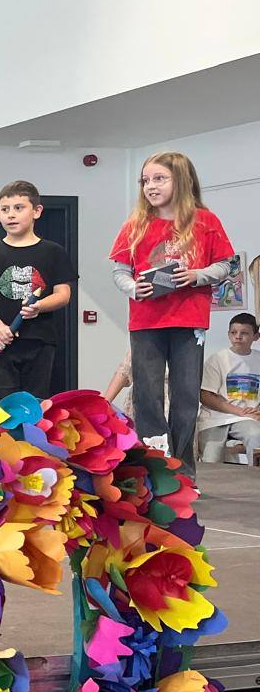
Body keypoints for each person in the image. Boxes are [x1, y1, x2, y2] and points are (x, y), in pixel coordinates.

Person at [108, 151, 235, 471]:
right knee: (147, 396)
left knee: (186, 398)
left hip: (189, 321)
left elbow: (224, 265)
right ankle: (154, 468)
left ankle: (183, 470)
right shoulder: (135, 224)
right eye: (145, 180)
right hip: (146, 322)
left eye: (159, 179)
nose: (150, 186)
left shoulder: (206, 221)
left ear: (182, 180)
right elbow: (119, 271)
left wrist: (196, 275)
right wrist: (134, 288)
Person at [0, 181, 75, 403]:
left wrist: (39, 306)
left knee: (34, 405)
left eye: (19, 208)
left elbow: (63, 294)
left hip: (39, 341)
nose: (11, 215)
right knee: (2, 408)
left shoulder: (54, 252)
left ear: (37, 211)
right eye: (5, 209)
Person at [198, 312, 260, 464]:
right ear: (228, 334)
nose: (238, 337)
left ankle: (253, 477)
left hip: (247, 418)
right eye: (233, 332)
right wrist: (238, 410)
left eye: (244, 333)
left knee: (256, 436)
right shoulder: (217, 359)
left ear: (256, 336)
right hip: (214, 419)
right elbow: (205, 396)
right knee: (211, 458)